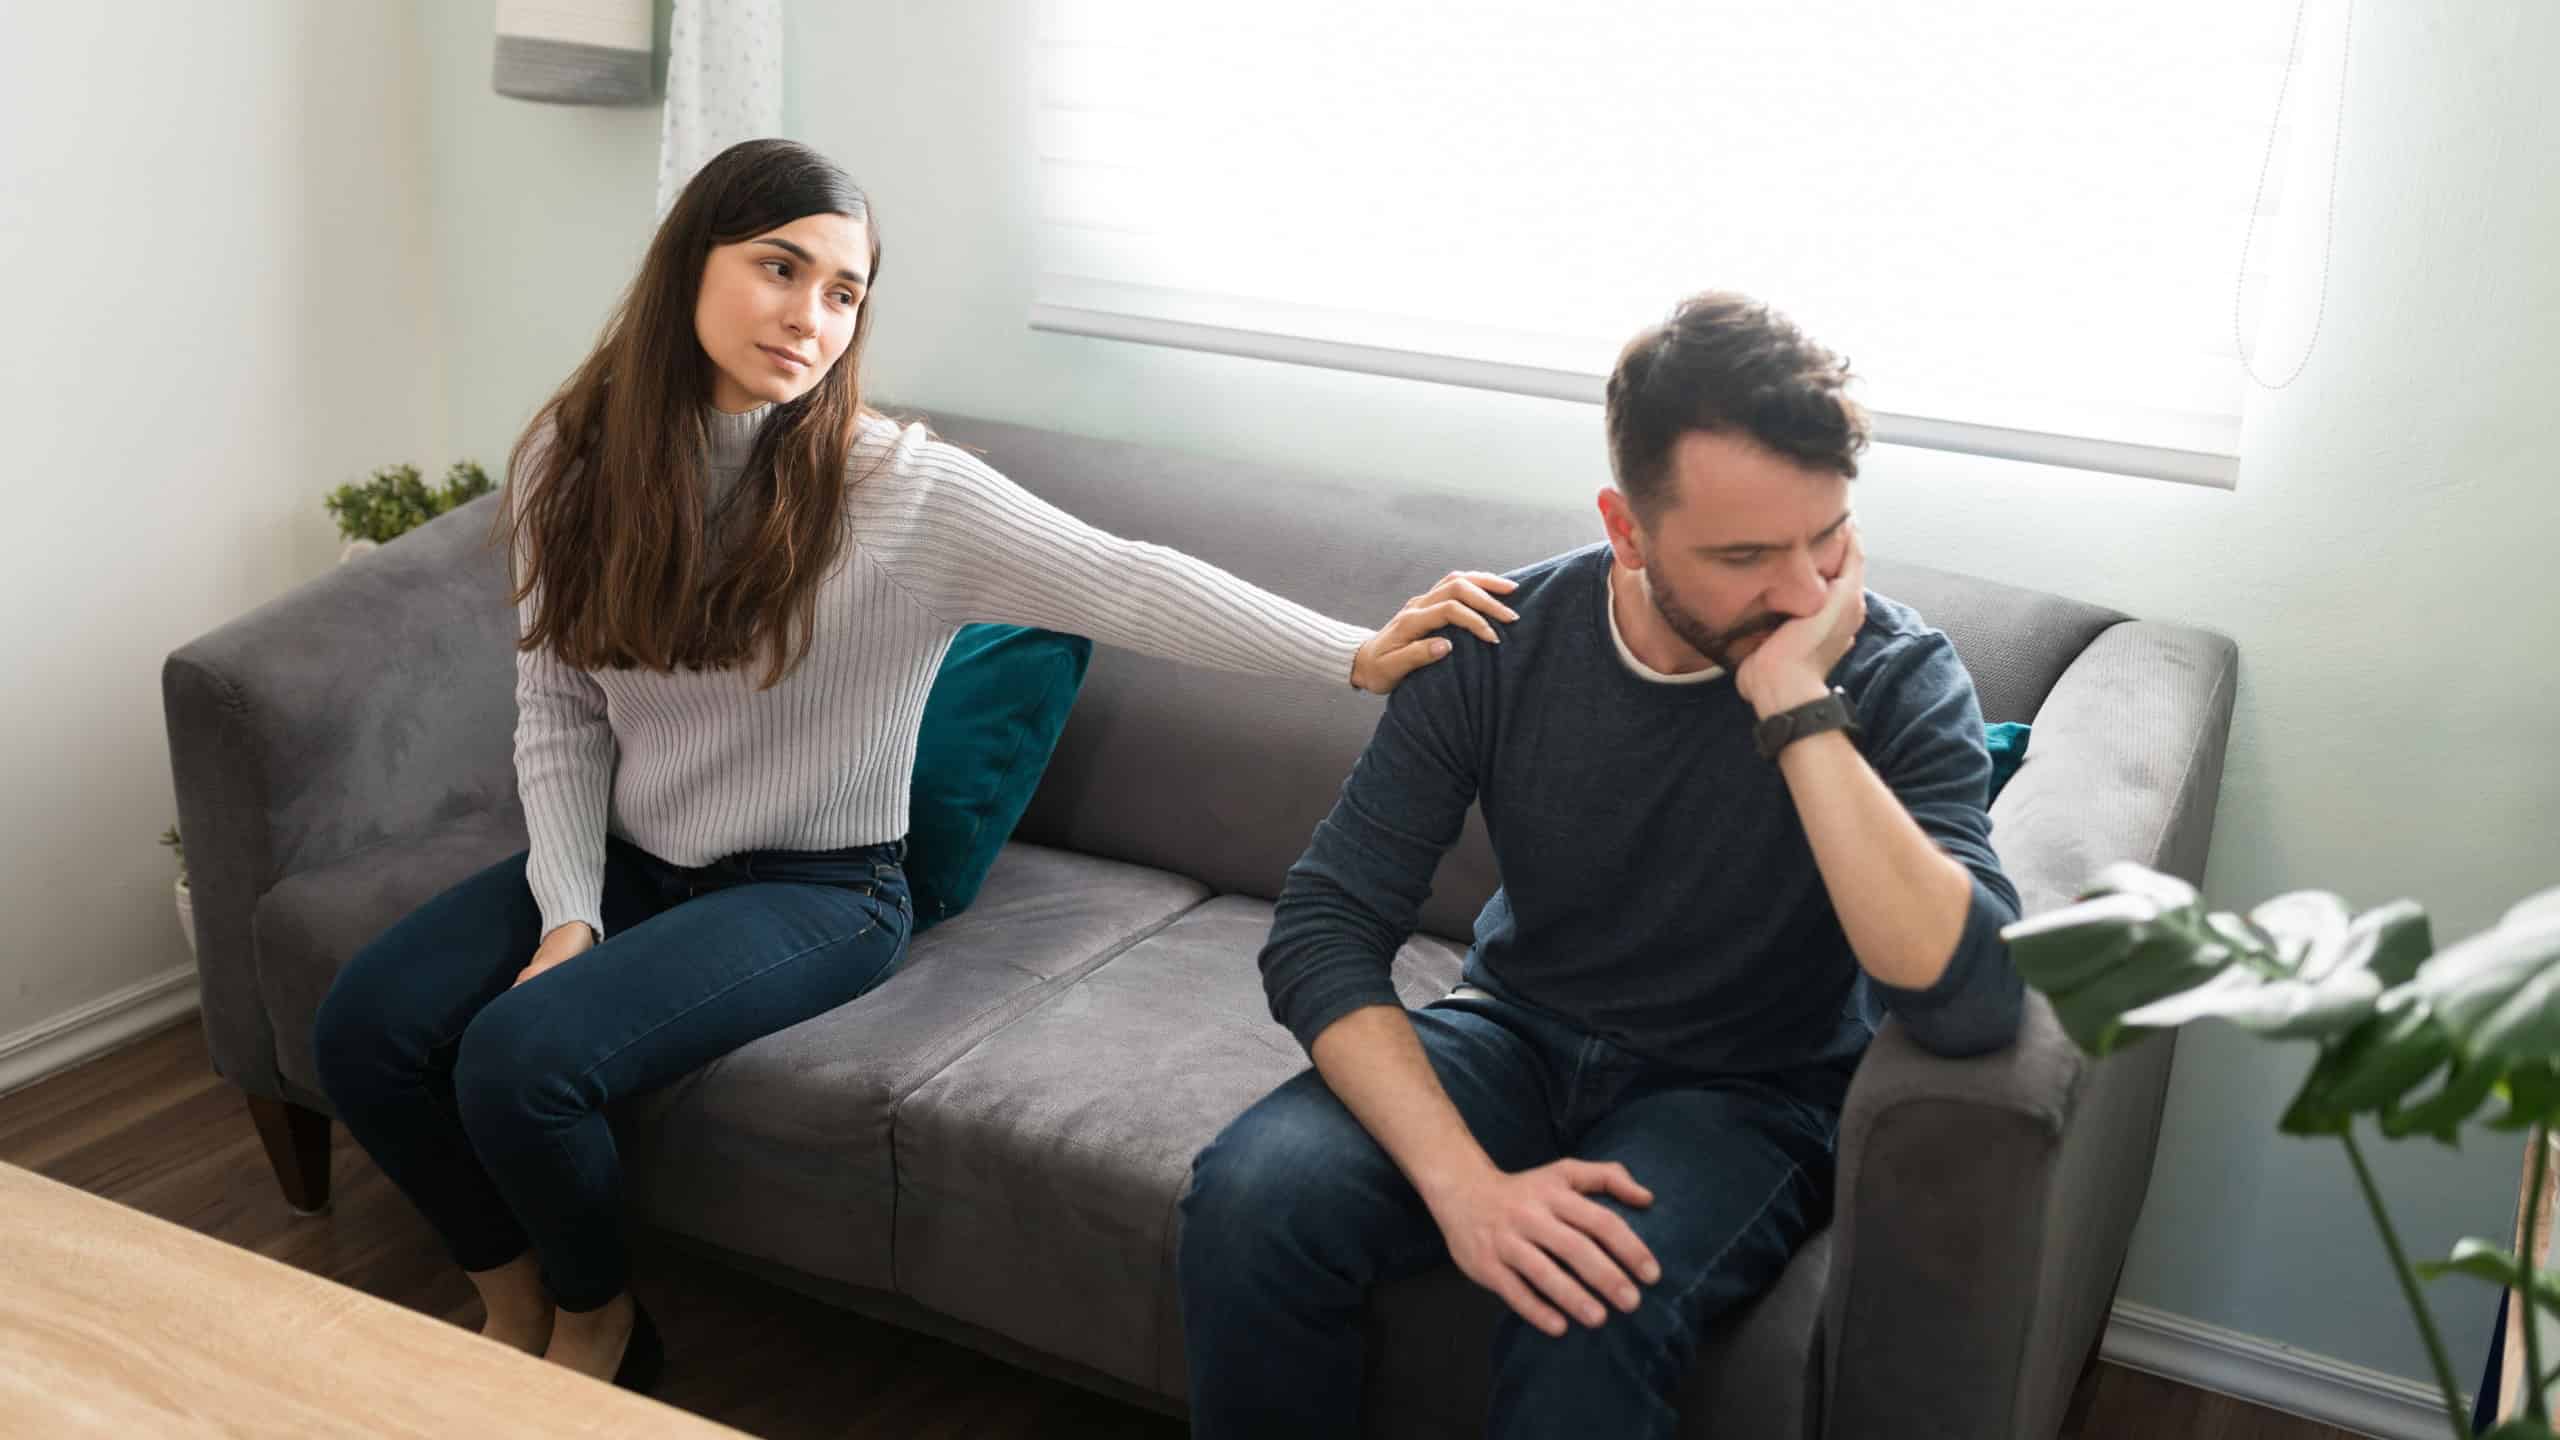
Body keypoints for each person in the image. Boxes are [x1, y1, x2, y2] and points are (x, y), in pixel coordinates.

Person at [309, 138, 1516, 1393]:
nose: (810, 317)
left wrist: (1351, 655)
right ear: (688, 265)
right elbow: (557, 705)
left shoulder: (898, 492)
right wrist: (568, 910)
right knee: (365, 1032)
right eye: (780, 268)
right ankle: (512, 1303)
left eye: (844, 293)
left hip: (817, 891)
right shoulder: (575, 454)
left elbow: (1125, 578)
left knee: (518, 1063)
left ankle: (601, 1326)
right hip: (629, 856)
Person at [1176, 291, 2026, 1438]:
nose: (1803, 593)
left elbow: (1970, 1003)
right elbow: (1324, 927)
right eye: (1742, 555)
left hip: (1750, 1092)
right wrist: (1463, 1187)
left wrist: (1794, 705)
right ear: (1626, 529)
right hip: (1513, 1032)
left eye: (1824, 538)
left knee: (1587, 1307)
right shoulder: (1499, 641)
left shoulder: (1893, 676)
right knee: (1251, 1199)